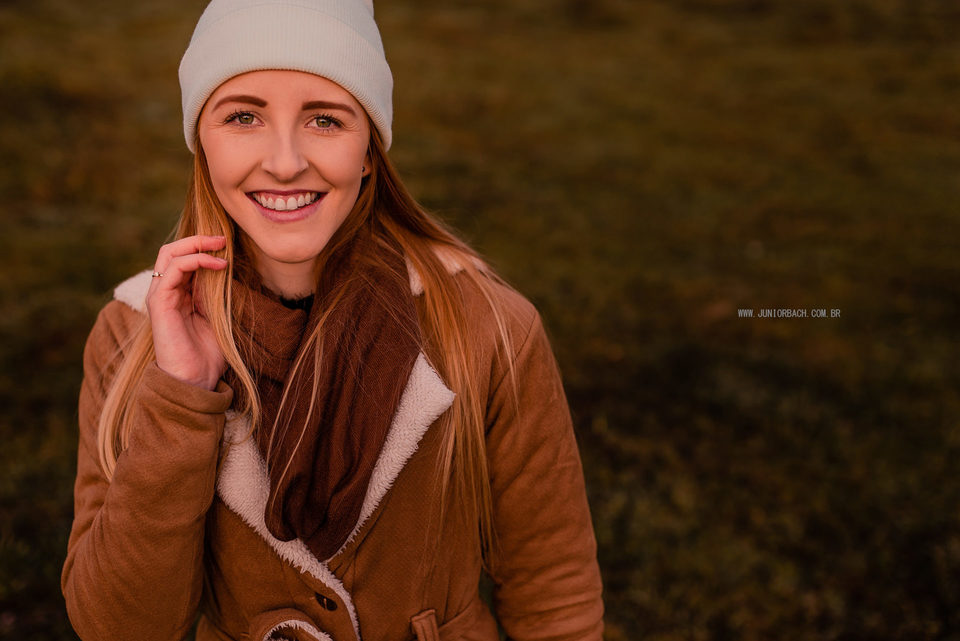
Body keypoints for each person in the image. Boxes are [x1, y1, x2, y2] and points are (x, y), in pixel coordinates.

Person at [60, 0, 604, 639]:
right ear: (200, 144)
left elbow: (554, 588)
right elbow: (118, 629)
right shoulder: (131, 337)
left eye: (325, 119)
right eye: (242, 117)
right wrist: (181, 399)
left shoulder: (488, 326)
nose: (285, 161)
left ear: (370, 150)